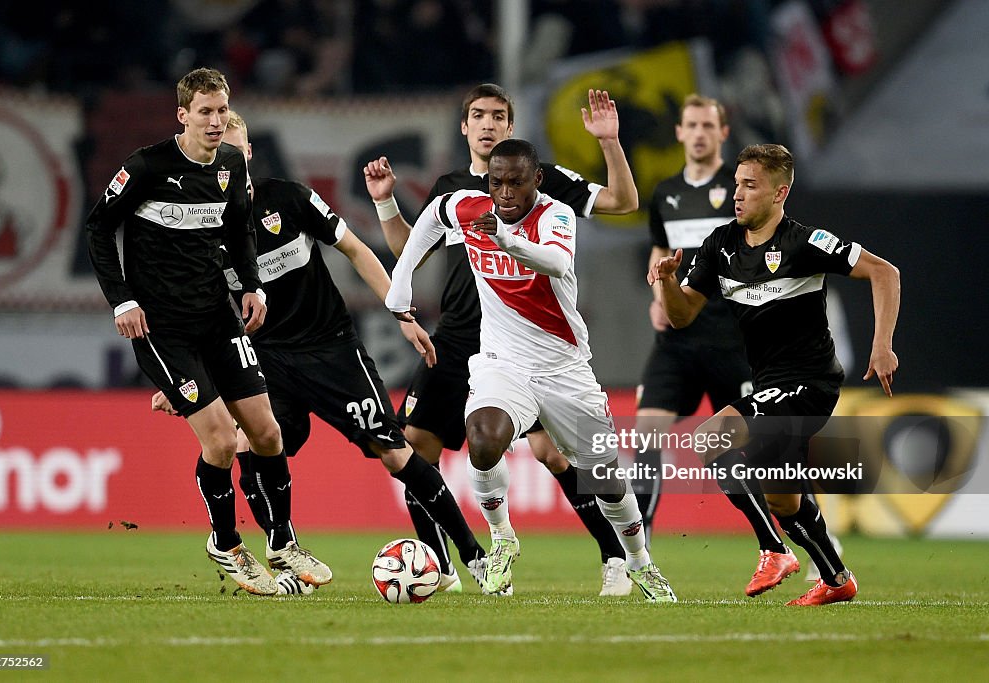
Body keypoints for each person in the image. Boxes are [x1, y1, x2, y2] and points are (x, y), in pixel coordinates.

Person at [153, 110, 489, 594]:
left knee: (394, 452)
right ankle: (285, 557)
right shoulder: (201, 228)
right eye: (215, 156)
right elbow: (196, 311)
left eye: (234, 151)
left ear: (248, 154)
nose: (226, 162)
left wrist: (401, 312)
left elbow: (356, 250)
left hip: (331, 351)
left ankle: (473, 557)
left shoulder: (288, 199)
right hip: (266, 358)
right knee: (251, 444)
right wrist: (183, 374)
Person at [365, 85, 639, 596]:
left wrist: (609, 142)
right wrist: (385, 204)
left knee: (552, 454)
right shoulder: (450, 187)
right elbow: (413, 249)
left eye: (498, 116)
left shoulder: (542, 179)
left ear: (510, 128)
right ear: (464, 127)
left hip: (525, 348)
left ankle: (615, 555)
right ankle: (444, 568)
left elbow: (623, 201)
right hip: (457, 337)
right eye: (477, 116)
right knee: (413, 452)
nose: (488, 124)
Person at [649, 143, 900, 605]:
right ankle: (837, 578)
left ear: (780, 192)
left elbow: (885, 273)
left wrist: (881, 345)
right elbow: (682, 316)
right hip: (768, 384)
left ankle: (772, 549)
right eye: (736, 184)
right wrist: (665, 282)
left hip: (811, 382)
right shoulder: (720, 245)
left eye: (750, 185)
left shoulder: (805, 243)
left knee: (710, 438)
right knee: (783, 499)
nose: (738, 194)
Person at [86, 68, 294, 596]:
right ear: (182, 115)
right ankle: (226, 543)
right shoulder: (148, 167)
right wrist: (123, 300)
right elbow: (97, 226)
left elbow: (239, 228)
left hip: (217, 317)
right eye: (205, 111)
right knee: (222, 442)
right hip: (162, 327)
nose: (216, 121)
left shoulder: (229, 164)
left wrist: (252, 287)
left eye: (222, 111)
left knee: (268, 433)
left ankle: (283, 542)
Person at [635, 94, 752, 549]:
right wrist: (657, 296)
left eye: (708, 125)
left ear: (723, 133)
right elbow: (660, 252)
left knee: (747, 451)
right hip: (678, 337)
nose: (699, 133)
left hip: (732, 338)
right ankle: (637, 545)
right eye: (692, 125)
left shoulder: (741, 189)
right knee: (646, 431)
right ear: (680, 132)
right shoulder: (665, 193)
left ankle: (804, 533)